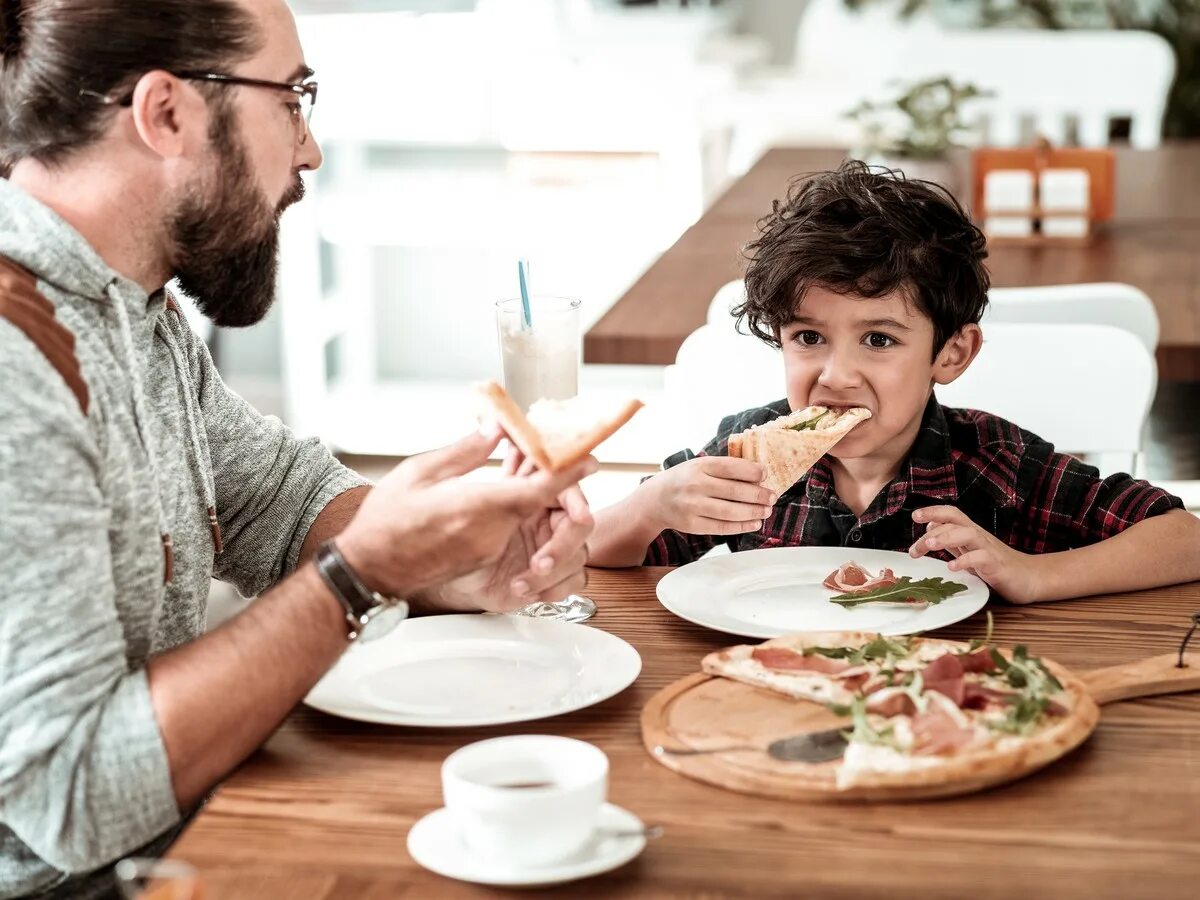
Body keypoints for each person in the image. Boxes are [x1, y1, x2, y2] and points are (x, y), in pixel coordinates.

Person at [0, 1, 594, 897]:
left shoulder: (133, 310)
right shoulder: (16, 367)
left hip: (197, 826)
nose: (309, 149)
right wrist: (362, 574)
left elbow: (280, 501)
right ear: (165, 113)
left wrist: (446, 556)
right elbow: (74, 797)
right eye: (293, 98)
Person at [589, 160, 1200, 602]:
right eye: (809, 338)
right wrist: (650, 506)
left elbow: (1185, 539)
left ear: (951, 354)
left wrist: (1034, 575)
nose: (836, 375)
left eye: (878, 340)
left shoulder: (996, 464)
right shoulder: (747, 455)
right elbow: (597, 551)